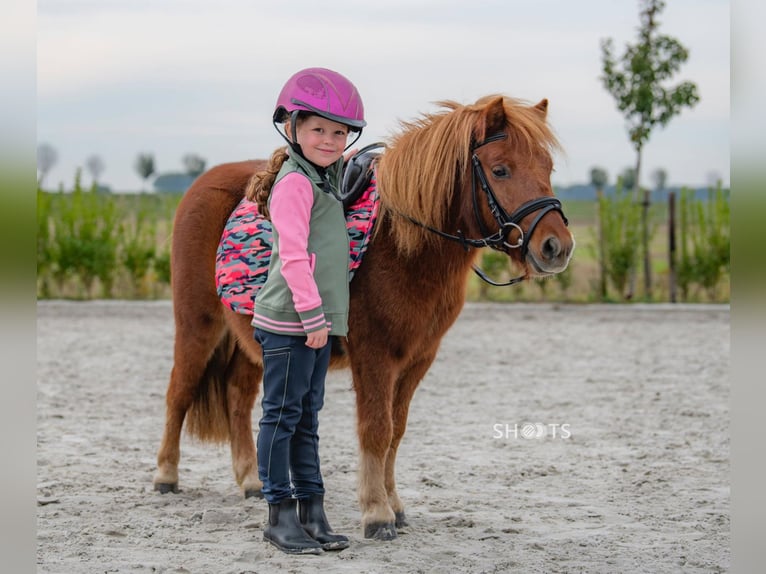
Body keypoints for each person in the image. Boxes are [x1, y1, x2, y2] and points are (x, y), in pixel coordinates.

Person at [244, 67, 366, 555]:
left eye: (339, 132)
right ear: (292, 127)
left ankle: (313, 511)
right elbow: (293, 256)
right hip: (292, 321)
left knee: (306, 417)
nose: (330, 140)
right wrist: (314, 317)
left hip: (315, 321)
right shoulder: (295, 183)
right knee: (281, 416)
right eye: (318, 129)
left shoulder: (326, 176)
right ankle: (279, 515)